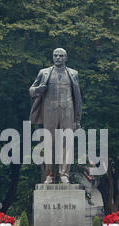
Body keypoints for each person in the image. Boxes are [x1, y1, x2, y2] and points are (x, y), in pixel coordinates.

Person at [29, 48, 83, 184]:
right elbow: (31, 90)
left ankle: (64, 174)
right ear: (52, 57)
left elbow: (78, 97)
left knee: (67, 143)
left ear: (66, 58)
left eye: (61, 56)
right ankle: (50, 175)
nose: (58, 58)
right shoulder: (44, 72)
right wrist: (37, 90)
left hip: (68, 110)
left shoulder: (73, 73)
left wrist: (77, 119)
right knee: (49, 143)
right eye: (55, 55)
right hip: (49, 110)